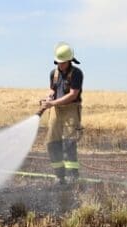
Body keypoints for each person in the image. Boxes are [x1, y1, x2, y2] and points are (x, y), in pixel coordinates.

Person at [39, 42, 84, 185]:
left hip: (71, 108)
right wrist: (48, 99)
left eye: (63, 63)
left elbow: (73, 94)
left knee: (69, 142)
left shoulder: (76, 73)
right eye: (58, 62)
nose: (60, 65)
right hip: (56, 109)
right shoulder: (54, 73)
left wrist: (53, 103)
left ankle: (72, 176)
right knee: (52, 142)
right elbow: (53, 90)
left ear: (69, 61)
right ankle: (59, 175)